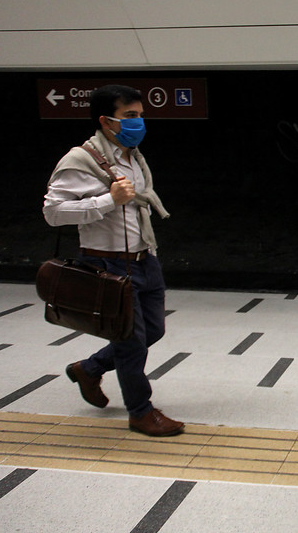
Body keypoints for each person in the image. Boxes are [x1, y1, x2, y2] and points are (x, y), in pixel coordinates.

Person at [43, 84, 184, 437]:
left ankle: (89, 369)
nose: (139, 123)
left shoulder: (134, 157)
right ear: (106, 121)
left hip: (144, 258)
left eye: (141, 115)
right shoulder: (80, 160)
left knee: (153, 330)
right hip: (107, 264)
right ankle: (141, 411)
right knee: (131, 342)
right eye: (130, 116)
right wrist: (108, 200)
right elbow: (53, 213)